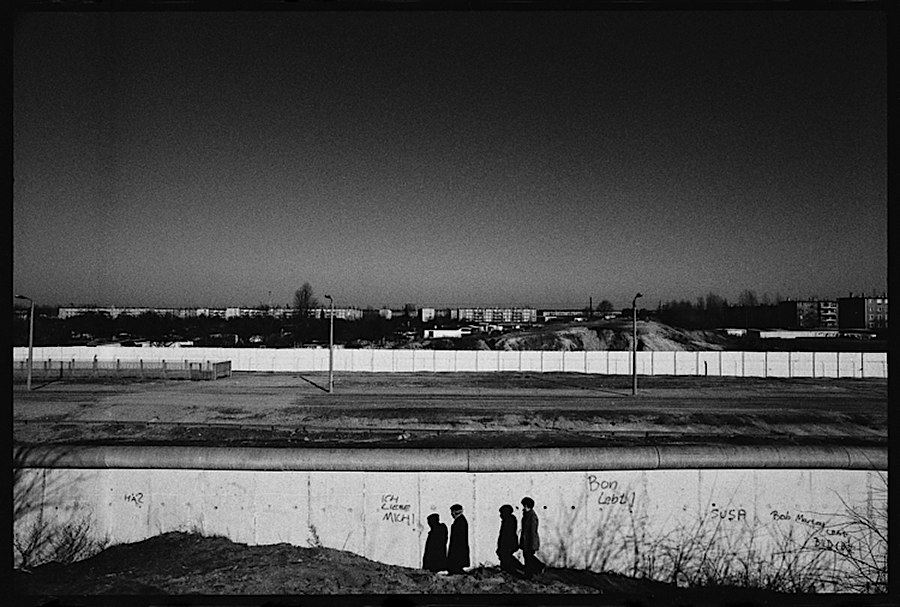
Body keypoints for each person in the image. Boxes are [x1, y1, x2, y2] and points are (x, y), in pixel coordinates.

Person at [519, 496, 545, 579]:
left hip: (530, 541)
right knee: (528, 557)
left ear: (527, 506)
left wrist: (533, 544)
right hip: (526, 541)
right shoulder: (527, 515)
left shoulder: (532, 516)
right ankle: (532, 572)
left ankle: (531, 573)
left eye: (524, 506)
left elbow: (533, 531)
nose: (523, 508)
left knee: (529, 558)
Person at [496, 504, 525, 575]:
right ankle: (518, 569)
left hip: (508, 543)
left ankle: (520, 569)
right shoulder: (510, 519)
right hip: (510, 543)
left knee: (506, 556)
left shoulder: (508, 520)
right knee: (506, 556)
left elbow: (505, 534)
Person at [446, 503, 470, 574]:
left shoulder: (460, 521)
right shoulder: (460, 520)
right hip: (459, 546)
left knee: (457, 559)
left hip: (458, 546)